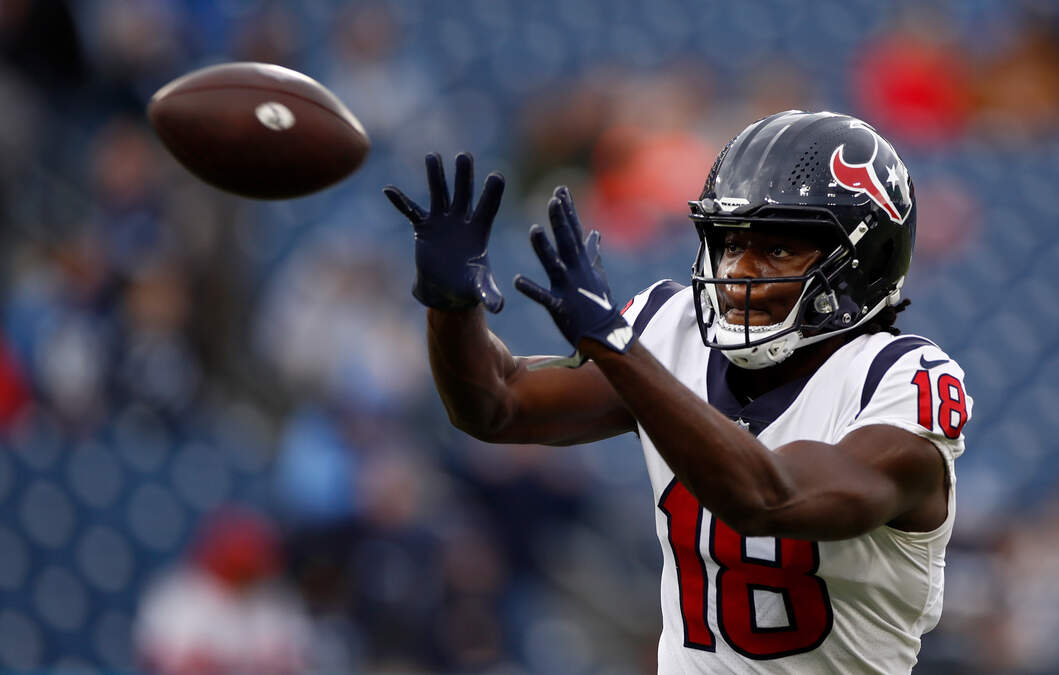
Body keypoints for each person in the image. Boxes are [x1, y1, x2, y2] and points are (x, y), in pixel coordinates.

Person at [384, 110, 972, 673]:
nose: (738, 271)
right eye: (731, 243)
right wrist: (450, 303)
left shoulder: (901, 382)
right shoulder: (672, 328)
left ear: (862, 262)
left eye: (775, 249)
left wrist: (618, 350)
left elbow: (770, 498)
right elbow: (496, 403)